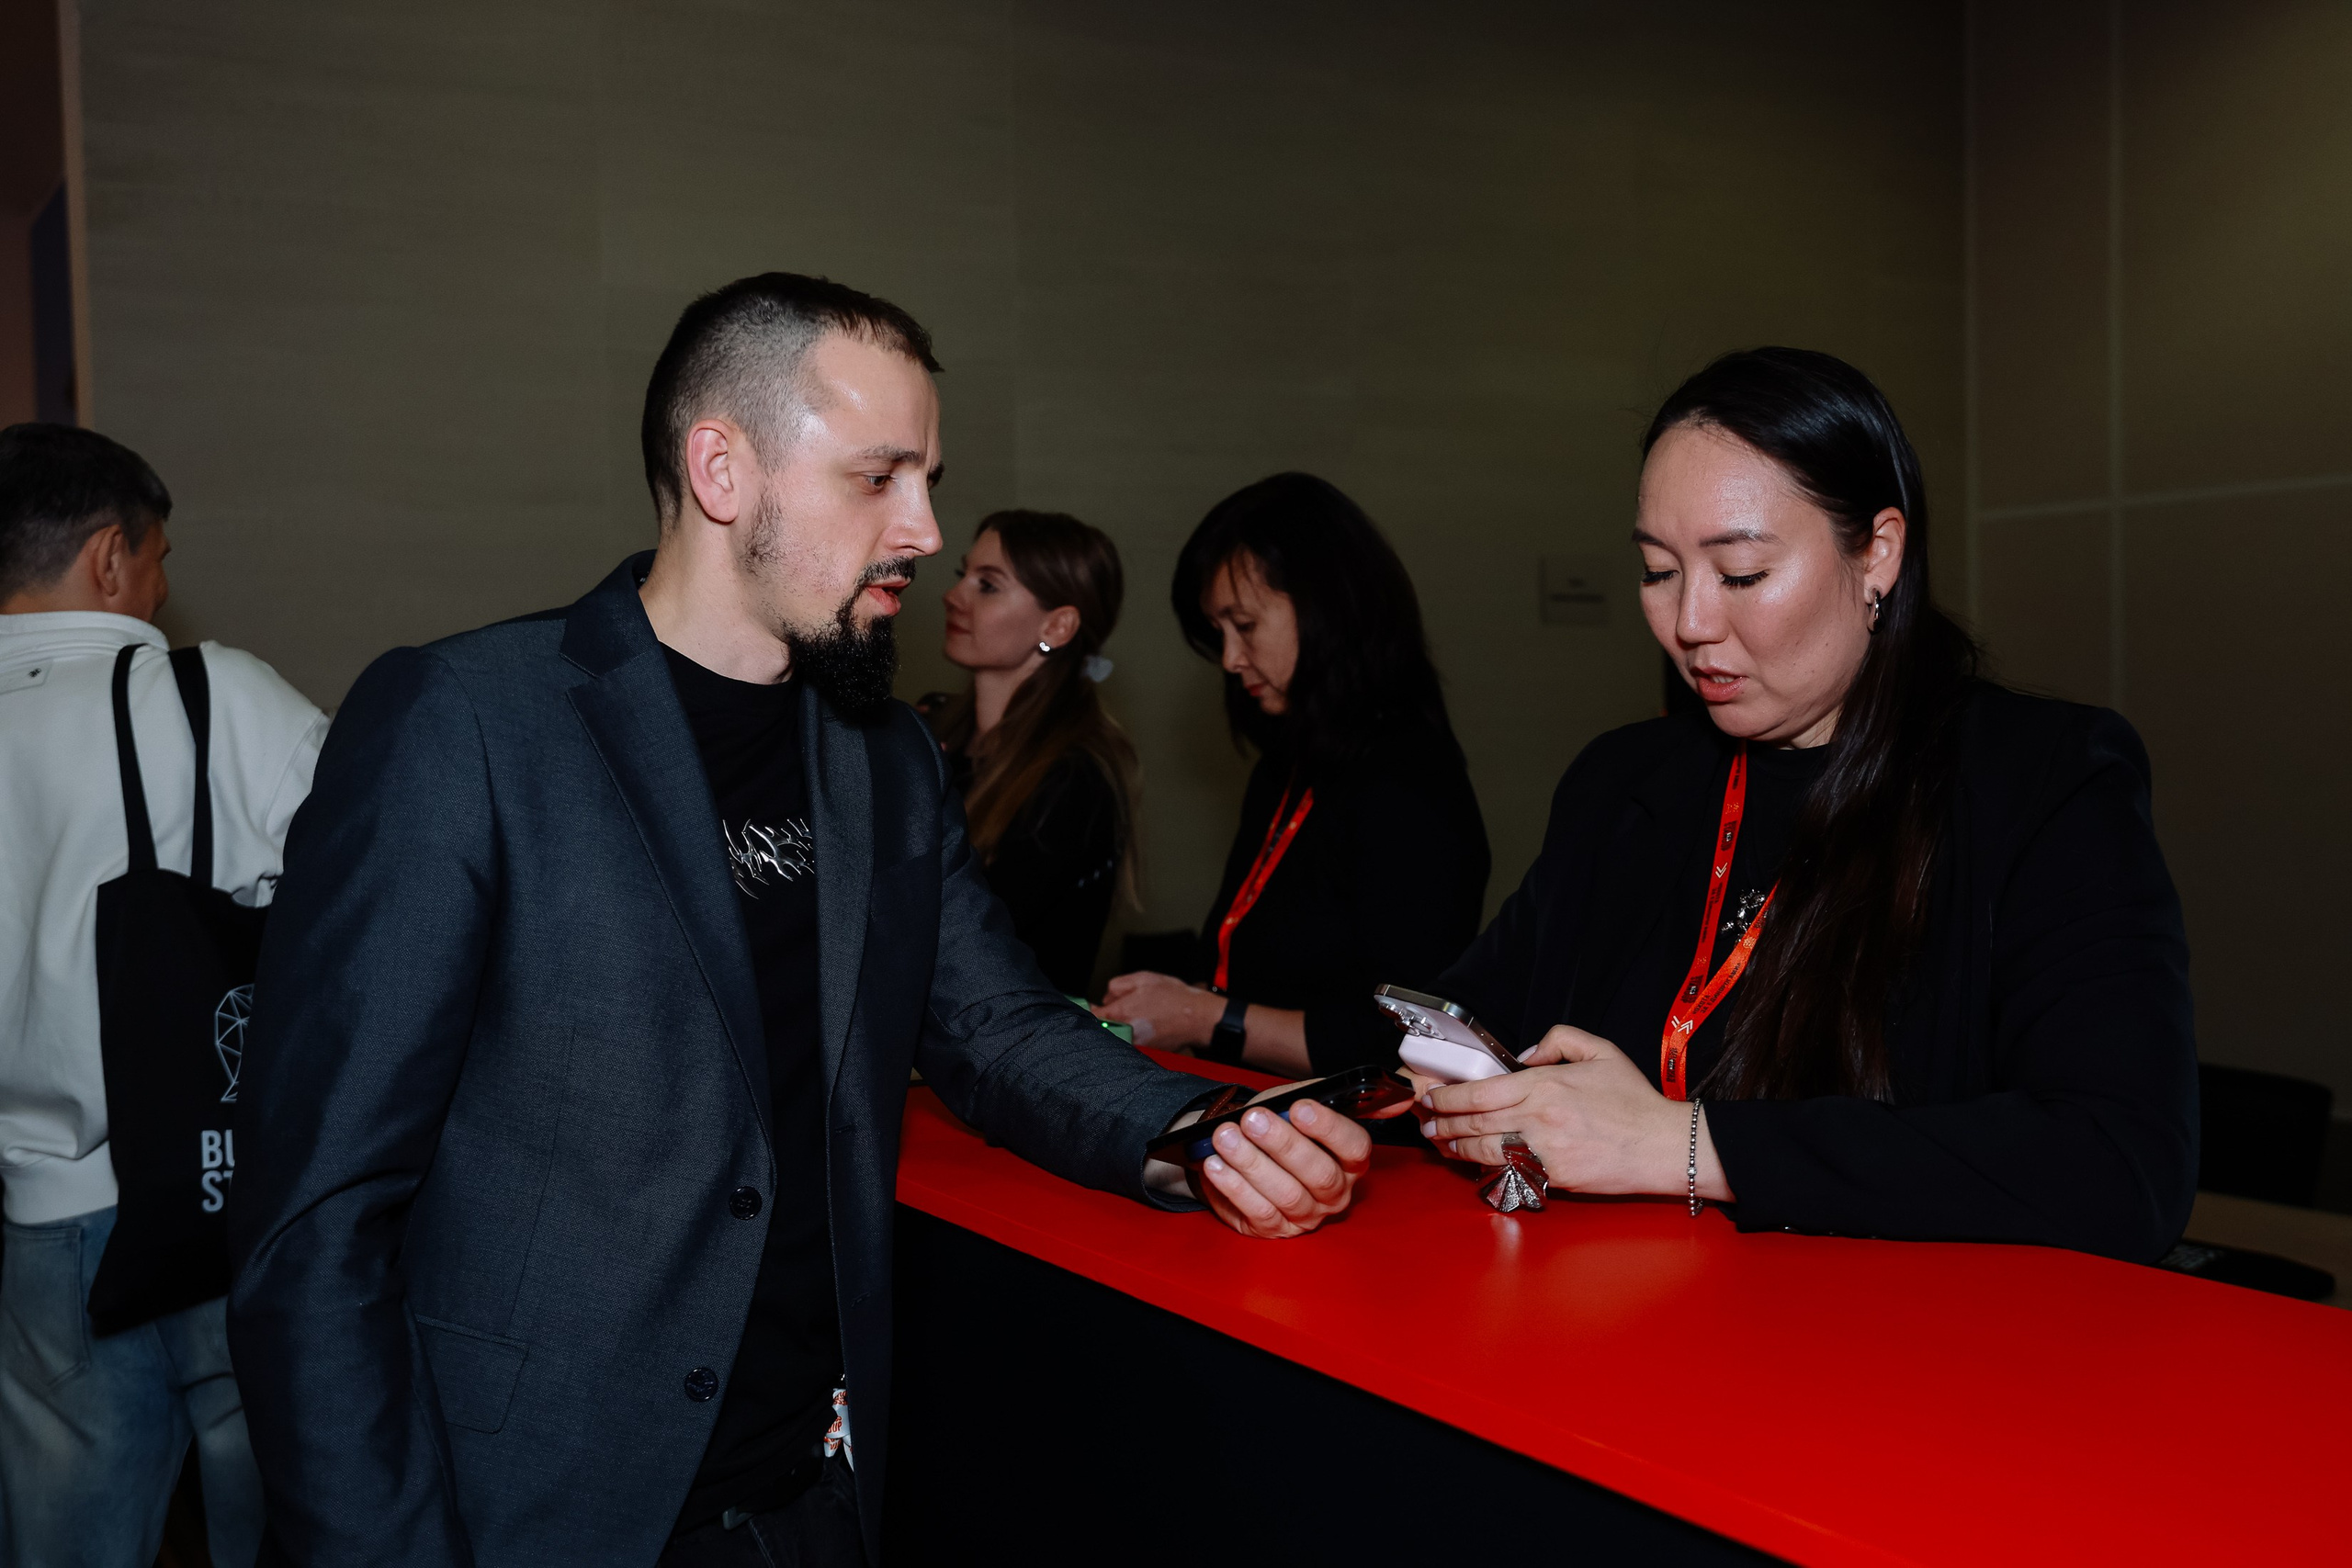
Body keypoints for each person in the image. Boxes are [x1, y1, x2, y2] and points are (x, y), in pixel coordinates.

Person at [225, 273, 1371, 1568]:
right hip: (531, 1511)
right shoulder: (468, 722)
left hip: (812, 1503)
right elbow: (316, 1225)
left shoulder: (885, 760)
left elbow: (996, 1024)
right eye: (878, 477)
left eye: (927, 479)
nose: (923, 528)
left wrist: (1201, 1132)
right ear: (723, 470)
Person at [1415, 348, 2196, 1262]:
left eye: (1741, 574)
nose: (1690, 623)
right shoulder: (1624, 782)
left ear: (1878, 553)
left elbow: (2119, 1166)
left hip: (1898, 1332)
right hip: (1620, 1311)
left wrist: (1684, 1145)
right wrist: (1351, 1108)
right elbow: (1462, 1016)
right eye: (1659, 571)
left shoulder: (2040, 780)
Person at [0, 423, 326, 1567]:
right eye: (156, 559)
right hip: (225, 1195)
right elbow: (382, 886)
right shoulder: (208, 693)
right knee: (285, 1522)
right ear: (109, 556)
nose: (159, 588)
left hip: (38, 1227)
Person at [1097, 474, 1490, 1077]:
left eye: (1245, 625)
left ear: (1326, 607)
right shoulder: (1289, 764)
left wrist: (1202, 1016)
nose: (1230, 660)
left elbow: (1399, 1039)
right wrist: (1180, 1003)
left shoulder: (1409, 785)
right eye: (1219, 634)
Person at [917, 511, 1136, 995]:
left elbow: (966, 946)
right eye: (962, 575)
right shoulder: (930, 730)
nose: (953, 595)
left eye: (987, 585)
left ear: (1058, 626)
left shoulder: (1071, 781)